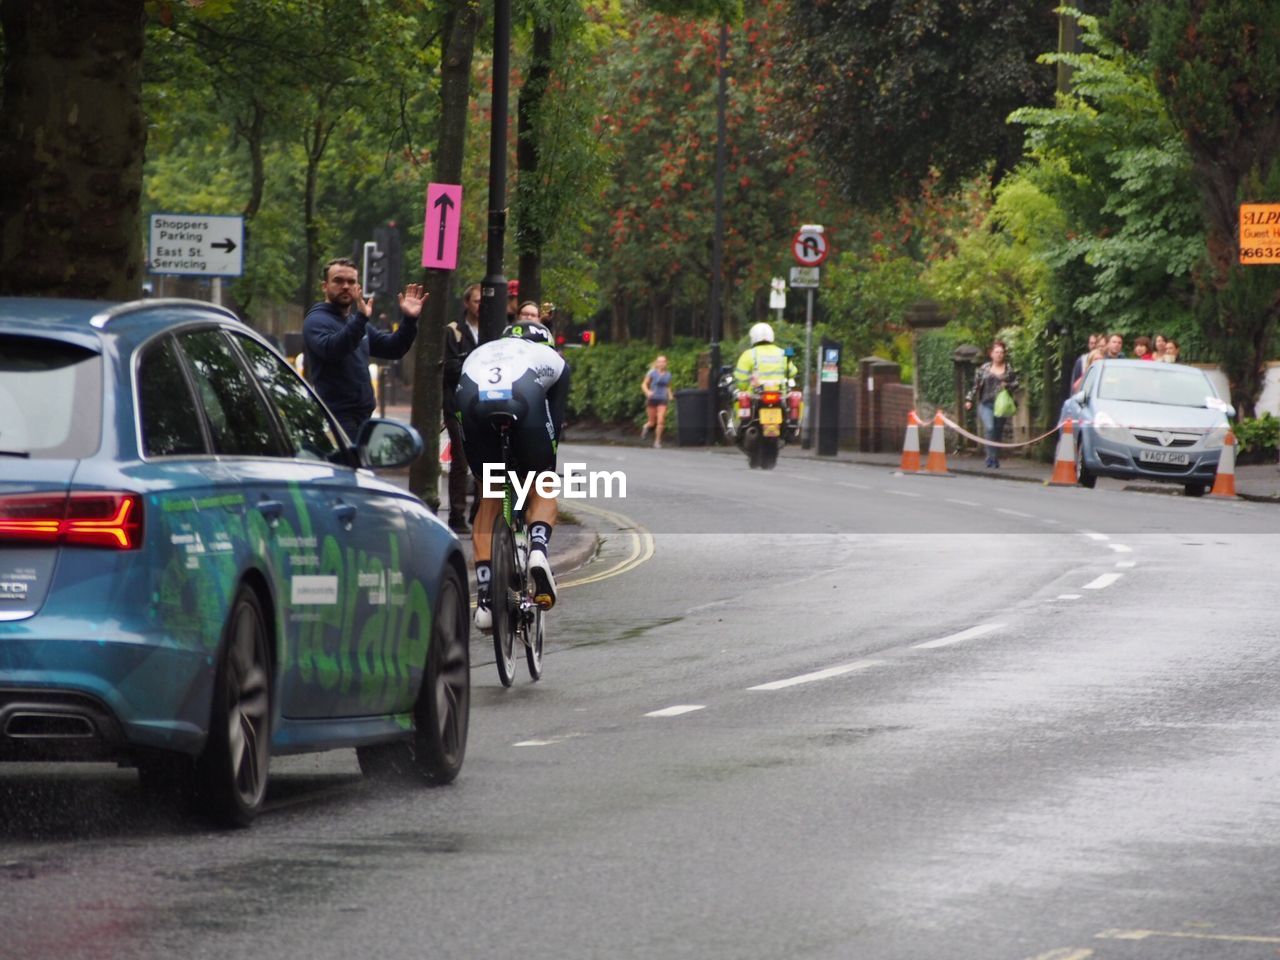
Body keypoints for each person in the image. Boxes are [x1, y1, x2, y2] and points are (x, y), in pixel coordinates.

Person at [457, 320, 569, 630]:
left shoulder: (484, 350)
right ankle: (537, 551)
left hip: (472, 398)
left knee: (490, 494)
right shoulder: (553, 360)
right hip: (524, 396)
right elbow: (555, 424)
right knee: (542, 483)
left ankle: (485, 602)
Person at [303, 257, 424, 441]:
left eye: (351, 281)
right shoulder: (317, 320)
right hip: (336, 420)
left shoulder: (355, 322)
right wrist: (360, 320)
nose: (345, 286)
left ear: (358, 287)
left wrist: (409, 320)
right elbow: (333, 349)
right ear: (324, 286)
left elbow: (393, 348)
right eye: (338, 280)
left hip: (364, 419)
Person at [441, 282, 483, 534]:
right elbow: (449, 368)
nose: (482, 306)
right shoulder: (454, 332)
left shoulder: (494, 329)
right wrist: (474, 360)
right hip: (458, 404)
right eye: (477, 301)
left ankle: (480, 514)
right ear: (467, 303)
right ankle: (457, 515)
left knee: (486, 461)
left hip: (484, 404)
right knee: (461, 460)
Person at [964, 339, 1020, 468]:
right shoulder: (984, 368)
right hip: (986, 404)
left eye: (1001, 352)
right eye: (997, 352)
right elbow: (976, 386)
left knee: (997, 432)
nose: (999, 354)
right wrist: (969, 400)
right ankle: (990, 457)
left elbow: (1017, 383)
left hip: (1001, 406)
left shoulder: (1009, 369)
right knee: (989, 428)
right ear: (991, 354)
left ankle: (994, 458)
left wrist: (1008, 385)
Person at [640, 355, 672, 448]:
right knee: (651, 422)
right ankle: (646, 427)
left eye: (663, 362)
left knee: (661, 420)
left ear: (666, 363)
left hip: (662, 398)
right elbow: (644, 384)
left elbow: (668, 386)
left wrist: (670, 395)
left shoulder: (668, 374)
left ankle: (657, 441)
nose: (661, 363)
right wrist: (647, 392)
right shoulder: (652, 373)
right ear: (657, 363)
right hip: (652, 398)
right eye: (659, 362)